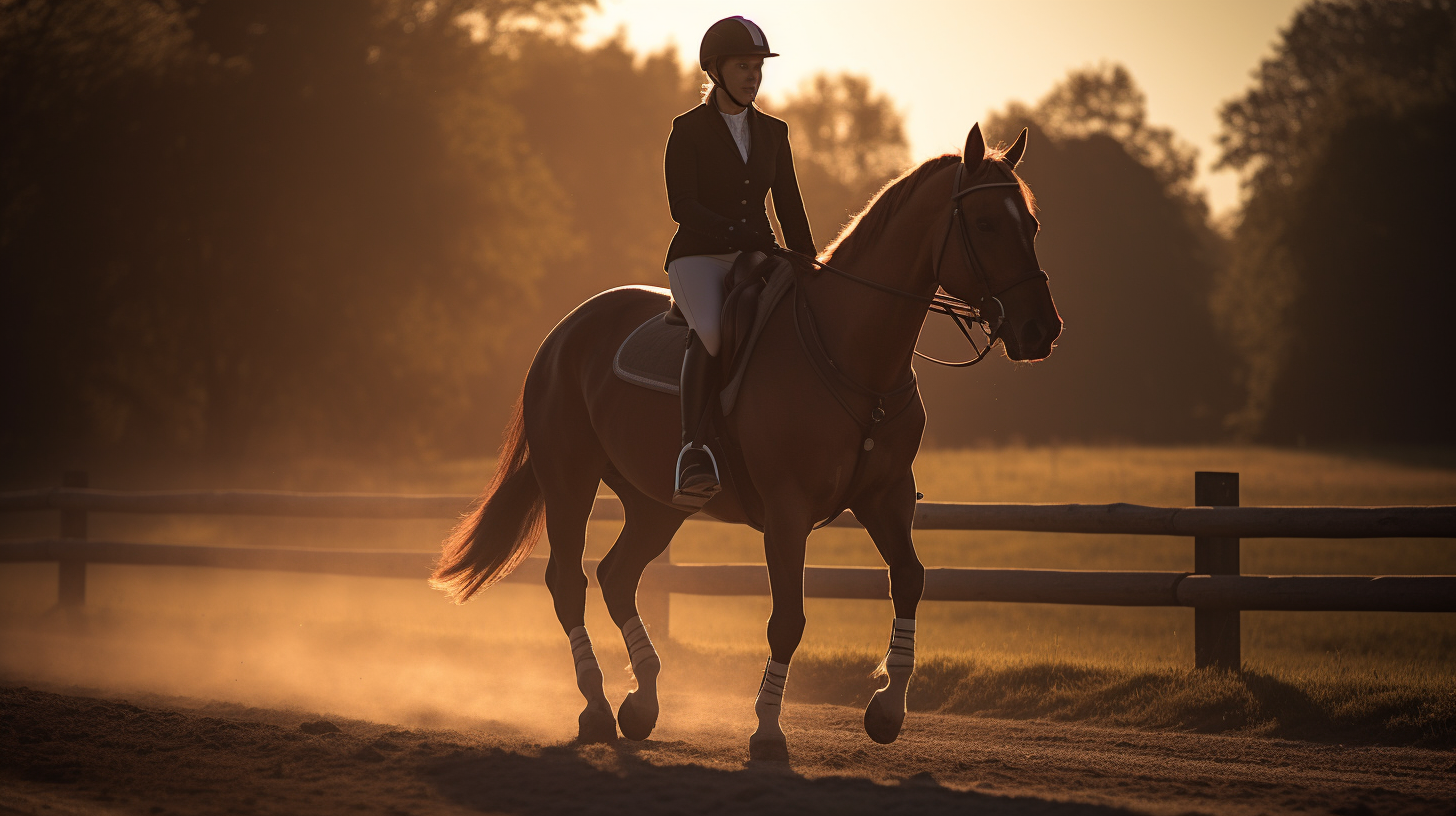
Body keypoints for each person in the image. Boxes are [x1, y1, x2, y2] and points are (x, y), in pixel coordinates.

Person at [664, 15, 815, 508]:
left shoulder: (774, 132)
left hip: (758, 255)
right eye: (743, 66)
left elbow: (789, 204)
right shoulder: (686, 130)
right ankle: (692, 447)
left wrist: (810, 263)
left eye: (758, 67)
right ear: (716, 70)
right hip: (699, 257)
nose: (753, 75)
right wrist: (736, 233)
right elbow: (681, 206)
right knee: (711, 331)